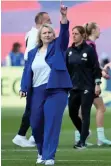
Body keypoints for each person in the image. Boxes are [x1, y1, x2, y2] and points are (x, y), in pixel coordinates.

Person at [20, 5, 71, 165]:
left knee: (52, 123)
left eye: (50, 32)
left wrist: (63, 17)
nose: (47, 34)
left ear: (53, 35)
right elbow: (27, 70)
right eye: (44, 33)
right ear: (40, 35)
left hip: (57, 90)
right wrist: (23, 87)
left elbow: (64, 34)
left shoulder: (58, 47)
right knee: (35, 123)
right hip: (37, 91)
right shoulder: (32, 53)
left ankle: (49, 156)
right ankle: (41, 152)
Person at [13, 11, 52, 148]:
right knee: (33, 107)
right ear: (41, 21)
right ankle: (21, 135)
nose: (51, 22)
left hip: (37, 74)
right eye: (48, 20)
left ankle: (34, 136)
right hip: (35, 76)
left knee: (39, 107)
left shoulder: (32, 34)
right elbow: (29, 57)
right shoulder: (35, 35)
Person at [66, 25, 102, 149]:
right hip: (74, 87)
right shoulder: (69, 51)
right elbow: (66, 69)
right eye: (73, 33)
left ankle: (82, 142)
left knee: (85, 113)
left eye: (76, 33)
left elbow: (96, 68)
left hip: (87, 86)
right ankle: (84, 132)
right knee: (72, 112)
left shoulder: (89, 50)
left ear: (82, 35)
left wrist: (97, 84)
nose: (74, 35)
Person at [80, 22, 111, 146]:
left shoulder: (88, 44)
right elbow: (92, 65)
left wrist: (101, 71)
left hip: (82, 81)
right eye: (99, 29)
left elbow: (93, 64)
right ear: (94, 30)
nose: (100, 31)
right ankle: (99, 138)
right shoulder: (90, 45)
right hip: (88, 82)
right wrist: (100, 77)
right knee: (100, 108)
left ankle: (80, 137)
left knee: (83, 109)